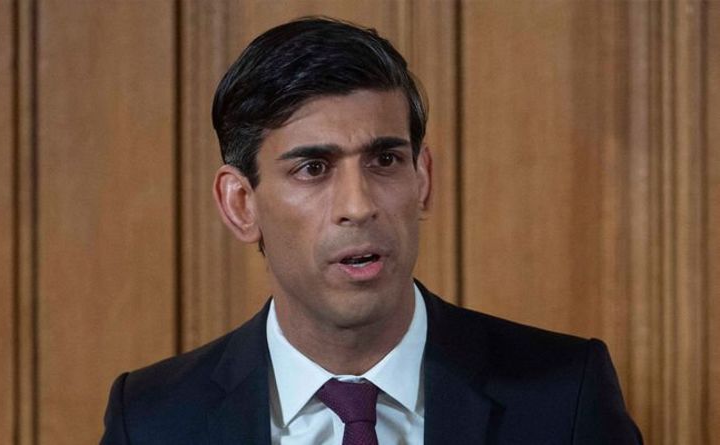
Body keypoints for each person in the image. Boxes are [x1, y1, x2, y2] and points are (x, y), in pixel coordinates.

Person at [101, 17, 642, 444]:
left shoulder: (565, 395)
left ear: (422, 179)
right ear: (241, 204)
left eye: (385, 160)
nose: (358, 206)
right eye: (313, 168)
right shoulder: (151, 419)